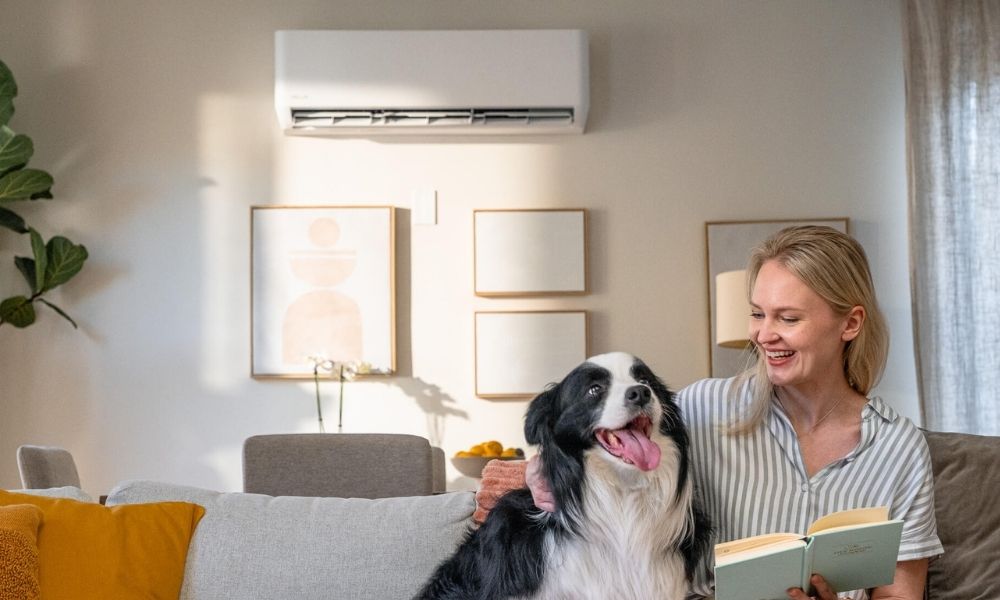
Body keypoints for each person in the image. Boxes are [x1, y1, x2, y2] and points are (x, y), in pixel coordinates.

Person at [475, 225, 942, 600]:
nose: (764, 334)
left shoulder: (898, 448)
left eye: (789, 318)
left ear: (851, 323)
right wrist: (537, 469)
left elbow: (899, 592)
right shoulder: (702, 409)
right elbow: (589, 445)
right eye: (758, 314)